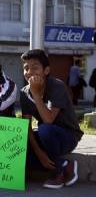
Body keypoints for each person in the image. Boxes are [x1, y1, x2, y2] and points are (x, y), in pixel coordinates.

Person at [20, 49, 83, 189]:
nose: (29, 71)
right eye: (26, 68)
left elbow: (48, 120)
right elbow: (26, 126)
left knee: (45, 128)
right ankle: (66, 165)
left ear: (46, 70)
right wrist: (39, 152)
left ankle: (58, 174)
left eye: (35, 67)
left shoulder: (56, 86)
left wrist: (36, 94)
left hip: (67, 136)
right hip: (45, 137)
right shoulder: (24, 93)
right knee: (19, 145)